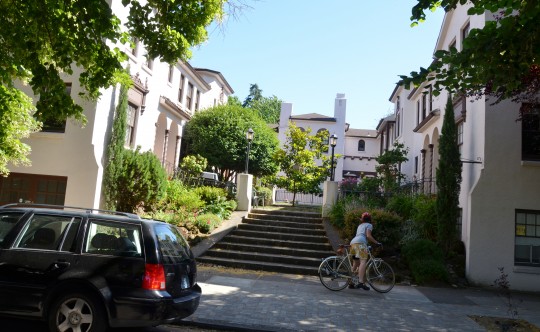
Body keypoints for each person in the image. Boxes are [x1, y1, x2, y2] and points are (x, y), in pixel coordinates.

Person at [349, 212, 381, 290]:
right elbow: (368, 236)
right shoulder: (369, 225)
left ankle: (351, 282)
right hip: (360, 243)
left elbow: (361, 235)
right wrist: (377, 242)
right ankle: (360, 282)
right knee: (363, 261)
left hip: (353, 243)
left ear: (362, 219)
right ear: (370, 219)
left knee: (356, 263)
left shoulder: (360, 226)